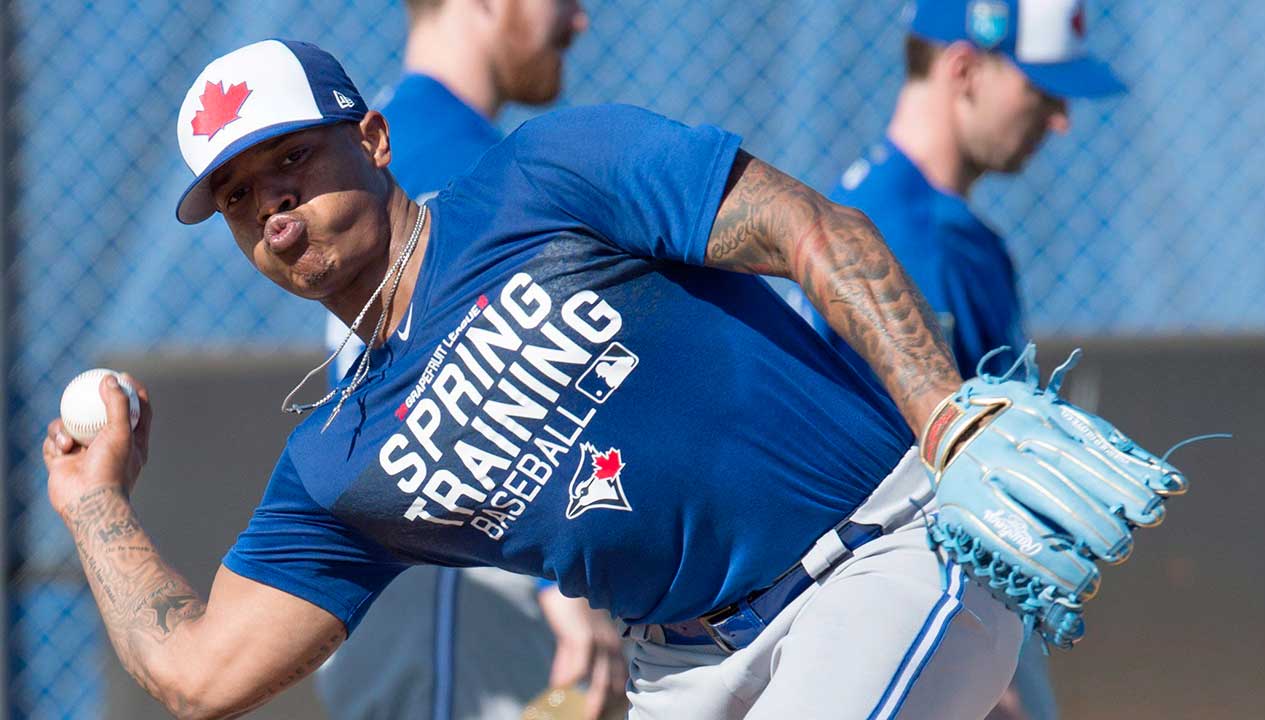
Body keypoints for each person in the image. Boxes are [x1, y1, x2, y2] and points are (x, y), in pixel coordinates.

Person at [46, 38, 1087, 720]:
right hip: (680, 672)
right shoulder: (340, 462)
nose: (271, 207)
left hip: (875, 557)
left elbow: (812, 229)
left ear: (371, 139)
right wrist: (95, 504)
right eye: (235, 197)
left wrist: (944, 417)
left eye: (289, 164)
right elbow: (198, 673)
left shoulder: (544, 177)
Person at [780, 3, 1124, 717]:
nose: (1059, 119)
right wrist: (966, 657)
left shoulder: (890, 213)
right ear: (964, 68)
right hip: (923, 612)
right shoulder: (908, 237)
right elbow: (894, 477)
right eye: (1041, 90)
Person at [312, 3, 616, 719]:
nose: (579, 21)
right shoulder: (447, 155)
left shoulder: (407, 140)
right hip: (446, 605)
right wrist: (558, 583)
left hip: (434, 592)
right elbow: (421, 393)